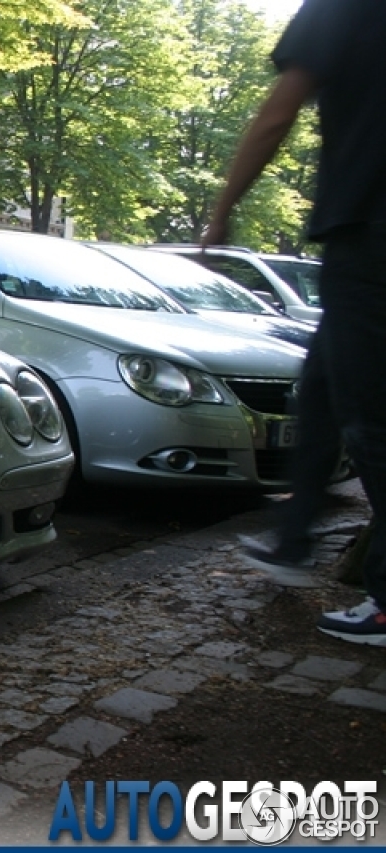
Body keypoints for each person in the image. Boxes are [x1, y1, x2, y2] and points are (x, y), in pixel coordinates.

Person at [203, 0, 386, 646]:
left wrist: (222, 209)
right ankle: (296, 536)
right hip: (362, 235)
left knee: (369, 415)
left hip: (367, 232)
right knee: (324, 388)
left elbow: (279, 110)